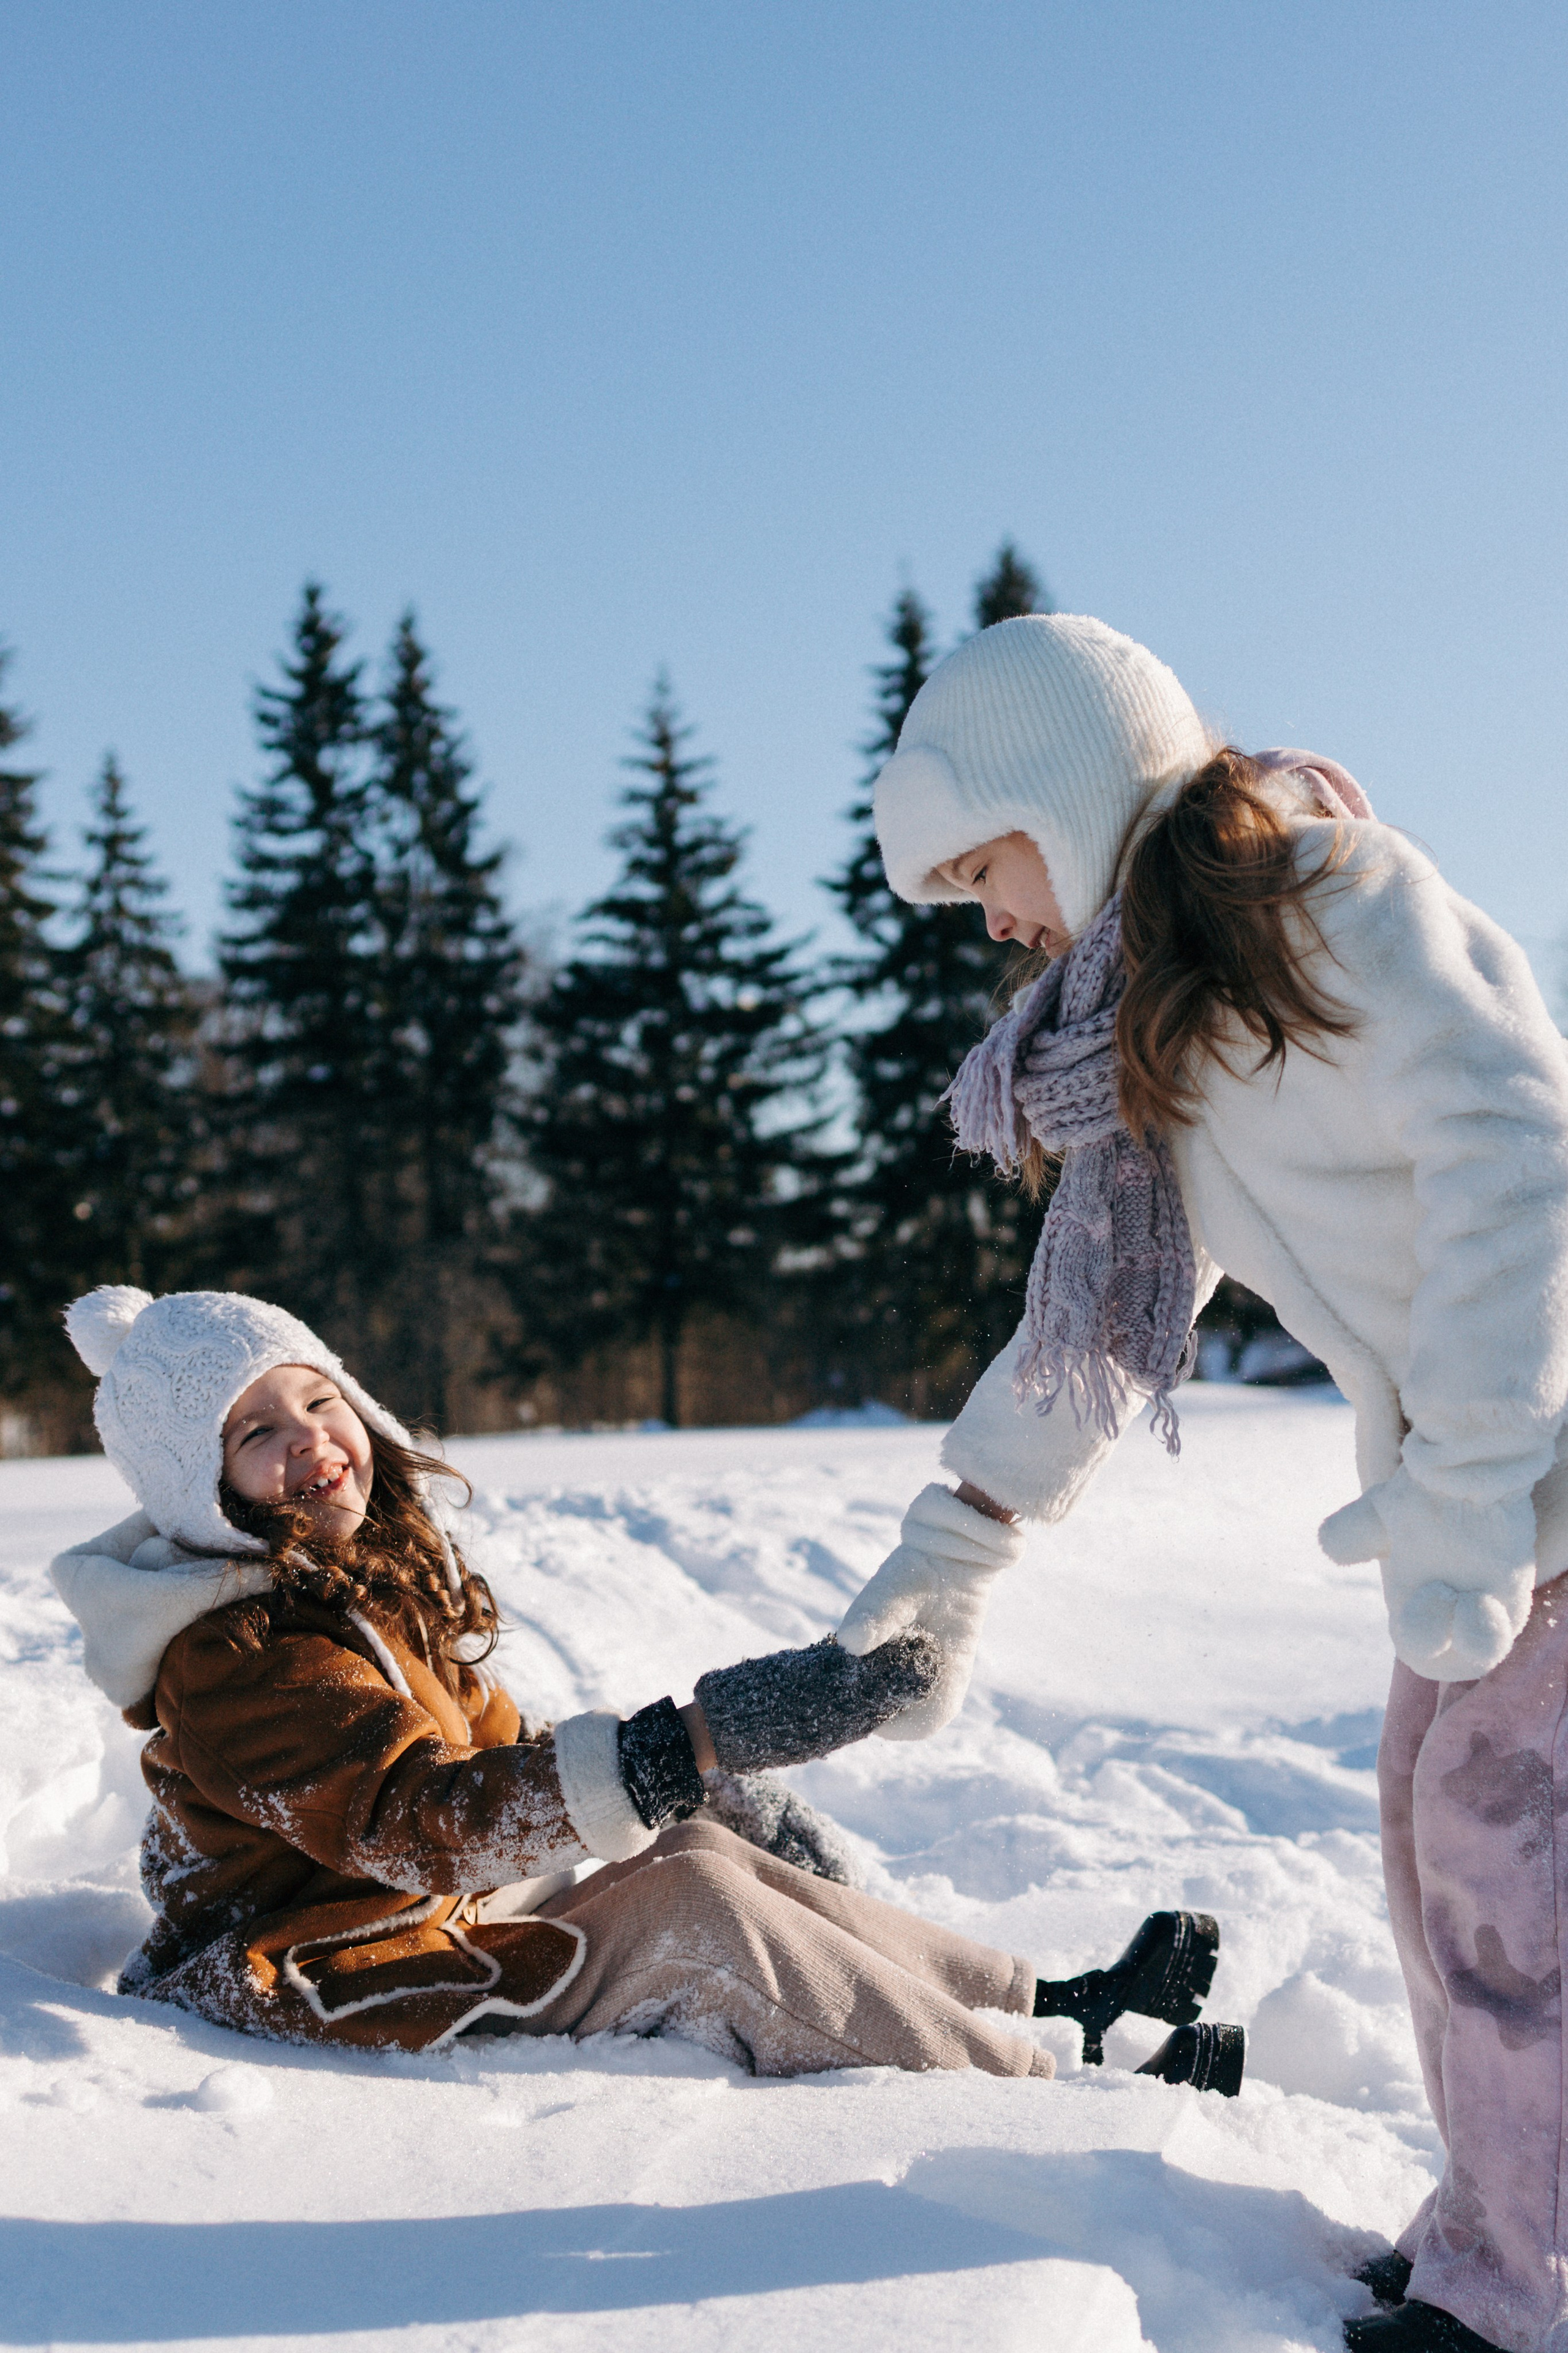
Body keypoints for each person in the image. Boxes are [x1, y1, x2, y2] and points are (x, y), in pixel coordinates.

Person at [837, 611, 1568, 2353]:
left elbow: (1523, 1147)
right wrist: (954, 1548)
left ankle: (1531, 2286)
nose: (995, 921)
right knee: (1433, 1842)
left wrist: (1466, 1480)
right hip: (1486, 1505)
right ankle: (1500, 2221)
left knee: (1508, 1868)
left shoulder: (1328, 900)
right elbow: (1087, 1336)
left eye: (988, 864)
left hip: (1526, 1473)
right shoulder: (1155, 1038)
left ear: (1067, 794)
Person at [50, 1282, 1234, 2087]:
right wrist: (700, 1738)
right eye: (254, 1432)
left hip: (416, 1913)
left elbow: (494, 1744)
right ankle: (1056, 2089)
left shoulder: (364, 1577)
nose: (310, 1440)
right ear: (195, 1488)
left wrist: (691, 1787)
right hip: (315, 1962)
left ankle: (1041, 2004)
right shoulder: (236, 1657)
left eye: (318, 1400)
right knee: (688, 1923)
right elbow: (420, 1820)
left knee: (698, 1858)